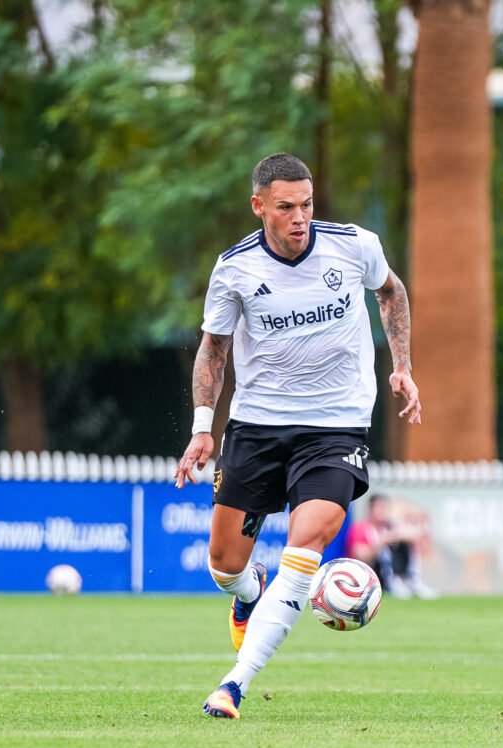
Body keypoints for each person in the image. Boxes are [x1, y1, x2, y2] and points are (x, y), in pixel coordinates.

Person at [173, 152, 422, 719]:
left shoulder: (354, 245)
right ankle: (248, 592)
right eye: (286, 207)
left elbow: (392, 292)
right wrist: (202, 428)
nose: (300, 217)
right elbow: (213, 349)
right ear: (259, 206)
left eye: (306, 204)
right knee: (224, 564)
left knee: (305, 545)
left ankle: (233, 684)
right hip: (258, 425)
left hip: (337, 424)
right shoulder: (234, 269)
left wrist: (401, 364)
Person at [346, 493, 437, 599]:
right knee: (386, 545)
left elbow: (417, 535)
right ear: (371, 509)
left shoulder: (390, 527)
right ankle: (392, 581)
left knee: (403, 542)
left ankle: (411, 580)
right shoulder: (361, 528)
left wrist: (397, 535)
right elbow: (361, 556)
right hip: (369, 575)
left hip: (387, 573)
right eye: (379, 507)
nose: (383, 511)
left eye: (385, 507)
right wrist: (382, 542)